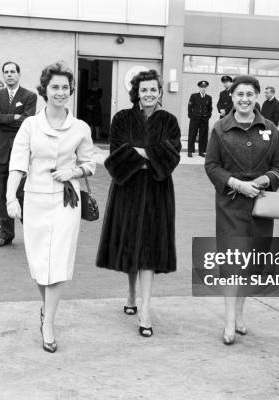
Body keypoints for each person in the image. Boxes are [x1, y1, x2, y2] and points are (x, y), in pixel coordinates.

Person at [6, 62, 96, 353]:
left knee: (57, 263)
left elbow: (90, 163)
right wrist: (11, 198)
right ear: (44, 90)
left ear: (71, 91)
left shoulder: (80, 127)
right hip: (34, 199)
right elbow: (18, 165)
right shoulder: (30, 125)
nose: (60, 92)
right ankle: (46, 308)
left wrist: (74, 173)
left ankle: (48, 323)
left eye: (65, 88)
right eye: (55, 87)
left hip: (66, 201)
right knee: (38, 263)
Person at [96, 69, 181, 338]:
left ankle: (145, 309)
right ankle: (131, 293)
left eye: (153, 90)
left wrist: (139, 152)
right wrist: (152, 154)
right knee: (131, 243)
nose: (148, 94)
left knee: (149, 249)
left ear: (159, 92)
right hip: (127, 190)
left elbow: (172, 155)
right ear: (136, 92)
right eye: (144, 90)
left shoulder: (169, 121)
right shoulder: (122, 118)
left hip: (157, 191)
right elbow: (115, 156)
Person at [204, 75, 279, 345]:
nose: (244, 99)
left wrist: (263, 181)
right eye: (240, 94)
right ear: (232, 97)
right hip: (231, 205)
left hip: (261, 206)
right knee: (231, 263)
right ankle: (229, 320)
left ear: (257, 96)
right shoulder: (220, 129)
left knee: (251, 263)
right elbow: (212, 165)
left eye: (250, 94)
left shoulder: (270, 129)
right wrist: (238, 184)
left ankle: (240, 314)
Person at [0, 62, 37, 248]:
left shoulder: (29, 96)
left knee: (22, 194)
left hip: (20, 151)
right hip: (0, 152)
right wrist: (14, 117)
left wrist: (3, 118)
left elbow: (27, 121)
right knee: (2, 195)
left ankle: (32, 233)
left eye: (12, 72)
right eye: (6, 72)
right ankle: (6, 234)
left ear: (19, 74)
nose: (9, 75)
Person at [188, 80, 212, 157]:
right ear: (199, 88)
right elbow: (190, 107)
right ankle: (190, 151)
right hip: (195, 119)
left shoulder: (209, 97)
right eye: (202, 87)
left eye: (205, 87)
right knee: (192, 134)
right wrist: (191, 116)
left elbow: (210, 108)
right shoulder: (194, 96)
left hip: (204, 119)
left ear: (206, 88)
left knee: (203, 136)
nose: (203, 89)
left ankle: (201, 151)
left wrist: (208, 116)